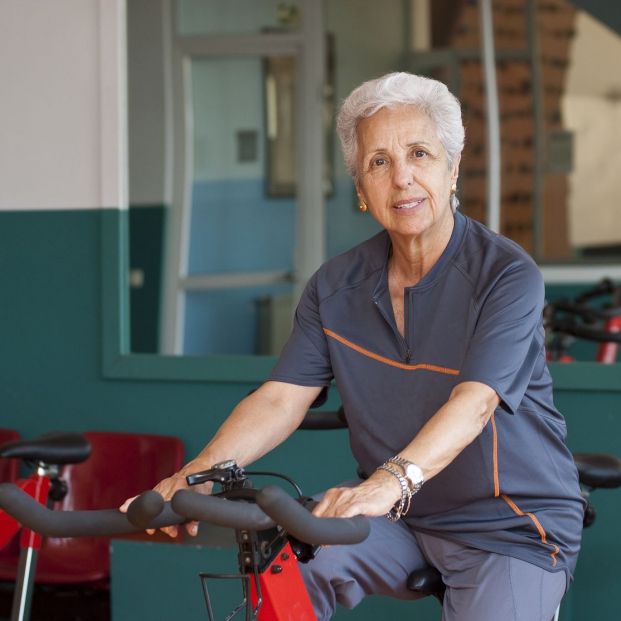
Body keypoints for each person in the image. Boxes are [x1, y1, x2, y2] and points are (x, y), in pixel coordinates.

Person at [122, 72, 584, 620]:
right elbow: (281, 398)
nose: (403, 179)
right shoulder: (335, 287)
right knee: (288, 566)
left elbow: (475, 403)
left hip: (508, 524)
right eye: (379, 163)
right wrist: (192, 476)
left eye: (419, 153)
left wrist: (389, 483)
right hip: (401, 517)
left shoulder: (505, 275)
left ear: (453, 167)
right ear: (361, 189)